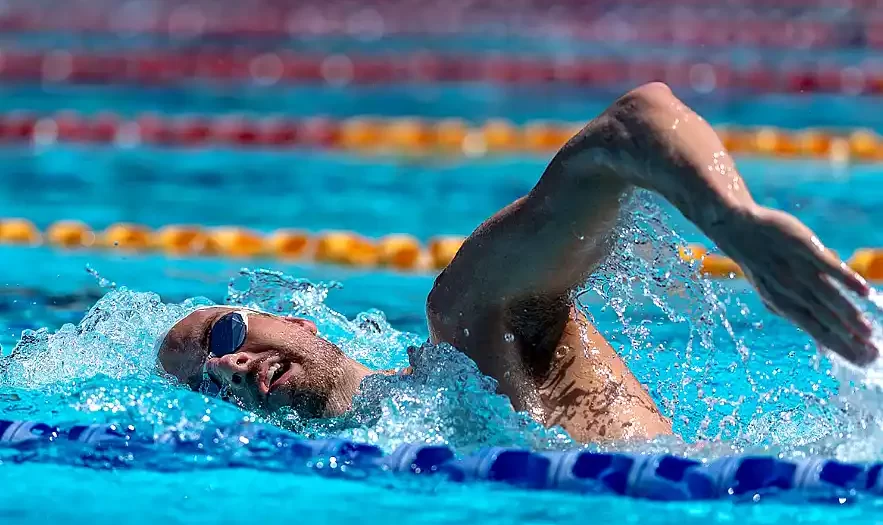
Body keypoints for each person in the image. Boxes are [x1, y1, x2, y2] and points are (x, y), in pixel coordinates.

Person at [157, 83, 876, 443]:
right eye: (207, 389)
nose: (228, 369)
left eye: (225, 334)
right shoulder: (395, 446)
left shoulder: (469, 329)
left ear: (294, 318)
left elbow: (632, 125)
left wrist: (734, 224)